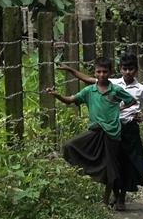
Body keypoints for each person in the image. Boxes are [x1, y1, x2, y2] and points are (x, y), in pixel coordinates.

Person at [58, 53, 143, 210]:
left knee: (126, 163)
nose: (128, 72)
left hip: (128, 129)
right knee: (112, 163)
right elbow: (87, 80)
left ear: (136, 70)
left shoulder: (141, 89)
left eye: (131, 69)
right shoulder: (111, 83)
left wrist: (142, 117)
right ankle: (114, 195)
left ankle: (121, 198)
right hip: (110, 128)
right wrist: (70, 70)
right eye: (125, 69)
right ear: (119, 69)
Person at [47, 57, 136, 208]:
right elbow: (71, 100)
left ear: (110, 72)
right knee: (70, 145)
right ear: (95, 72)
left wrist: (118, 108)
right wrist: (57, 95)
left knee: (111, 166)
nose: (101, 75)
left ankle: (107, 199)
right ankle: (89, 175)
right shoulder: (89, 91)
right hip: (95, 130)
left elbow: (131, 101)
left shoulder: (115, 90)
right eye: (98, 72)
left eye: (105, 72)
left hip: (112, 133)